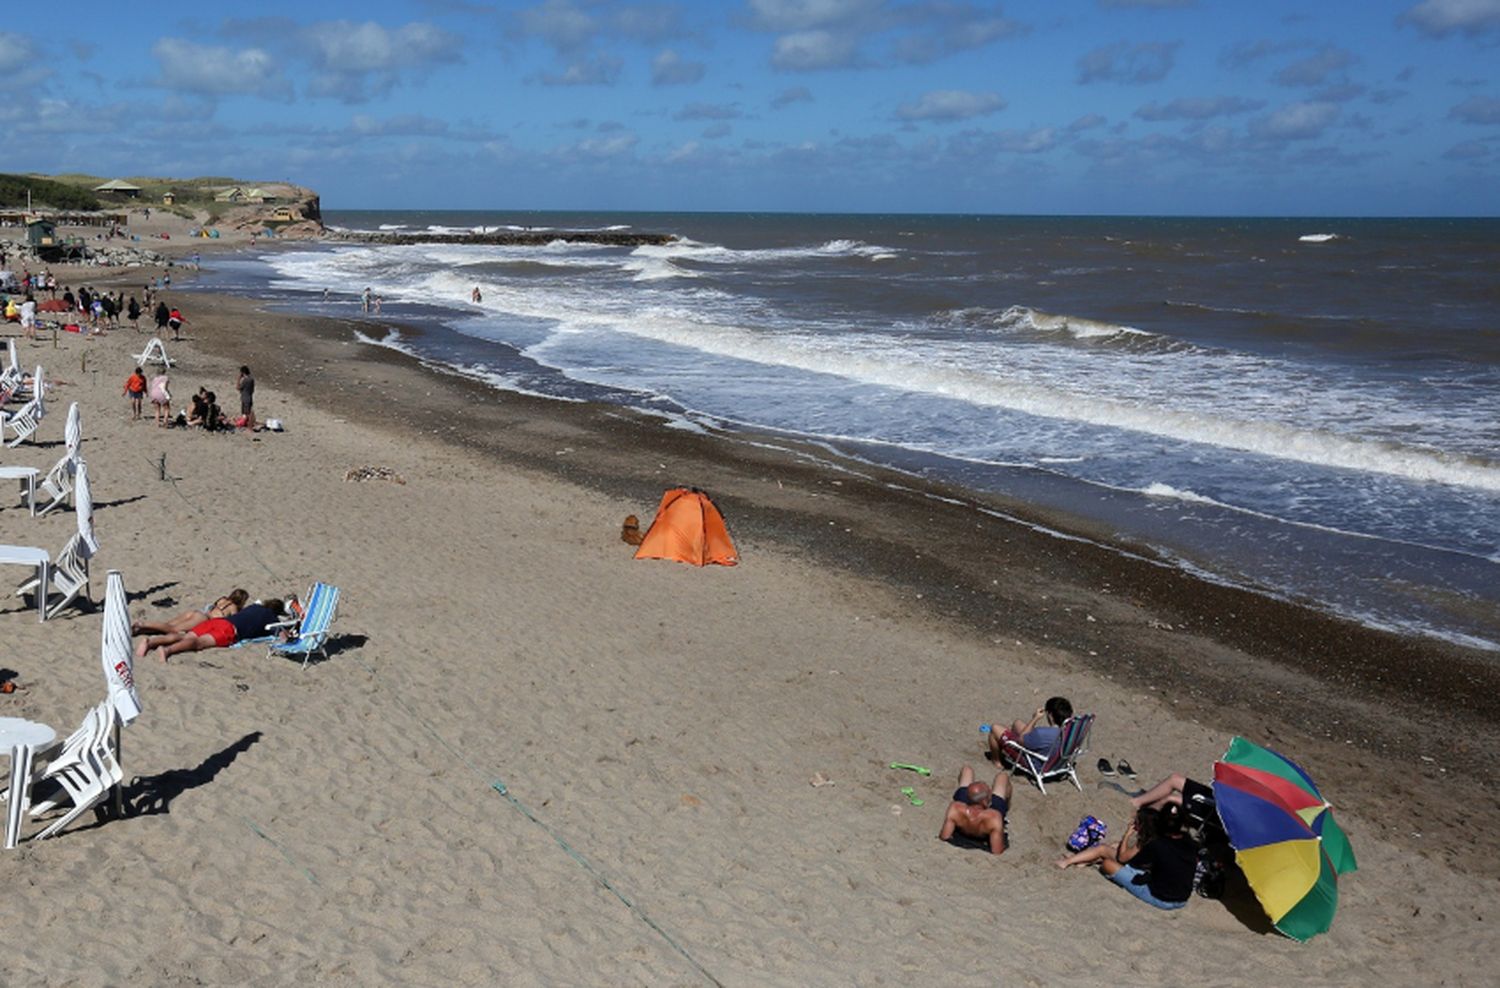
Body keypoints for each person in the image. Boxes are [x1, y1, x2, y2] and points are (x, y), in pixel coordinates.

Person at [1056, 803, 1196, 911]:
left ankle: (1066, 862)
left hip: (1162, 898)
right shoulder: (1189, 841)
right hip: (1182, 897)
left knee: (1107, 862)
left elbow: (1124, 860)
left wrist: (1127, 835)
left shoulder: (1156, 843)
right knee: (1114, 848)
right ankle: (1084, 861)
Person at [136, 598, 285, 663]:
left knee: (183, 635)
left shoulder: (253, 607)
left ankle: (150, 641)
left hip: (217, 621)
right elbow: (282, 636)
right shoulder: (271, 617)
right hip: (229, 630)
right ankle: (167, 651)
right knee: (197, 643)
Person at [937, 765, 1011, 855]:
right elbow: (997, 850)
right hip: (989, 817)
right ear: (985, 801)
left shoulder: (955, 808)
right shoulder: (994, 817)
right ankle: (1006, 808)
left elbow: (944, 836)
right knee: (1002, 777)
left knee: (967, 769)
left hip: (965, 810)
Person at [987, 695, 1073, 768]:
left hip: (1035, 763)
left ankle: (996, 761)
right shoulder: (1071, 732)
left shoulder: (1041, 733)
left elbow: (1021, 739)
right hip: (1056, 761)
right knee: (1018, 723)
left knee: (995, 728)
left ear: (1050, 716)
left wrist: (1035, 718)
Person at [132, 590, 249, 636]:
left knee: (167, 625)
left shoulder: (223, 599)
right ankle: (142, 624)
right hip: (203, 618)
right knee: (173, 629)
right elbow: (234, 623)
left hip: (196, 612)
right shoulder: (234, 608)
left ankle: (140, 631)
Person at [237, 365, 256, 431]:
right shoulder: (251, 379)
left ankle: (249, 426)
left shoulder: (245, 380)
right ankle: (247, 424)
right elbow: (252, 390)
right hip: (249, 396)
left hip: (245, 397)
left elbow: (238, 387)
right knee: (248, 411)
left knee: (246, 413)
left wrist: (238, 379)